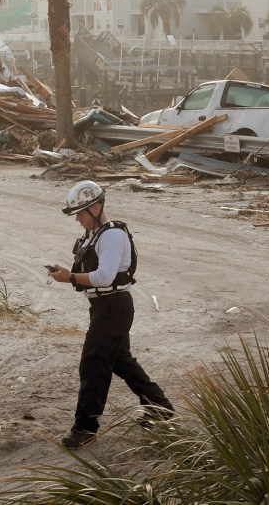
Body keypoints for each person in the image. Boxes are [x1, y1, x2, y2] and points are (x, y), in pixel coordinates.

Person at [46, 181, 173, 449]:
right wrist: (68, 274)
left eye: (80, 213)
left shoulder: (112, 236)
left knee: (93, 364)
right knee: (120, 361)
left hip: (113, 307)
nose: (78, 220)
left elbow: (104, 277)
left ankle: (85, 428)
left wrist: (69, 277)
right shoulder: (96, 234)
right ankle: (160, 407)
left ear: (94, 207)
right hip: (106, 307)